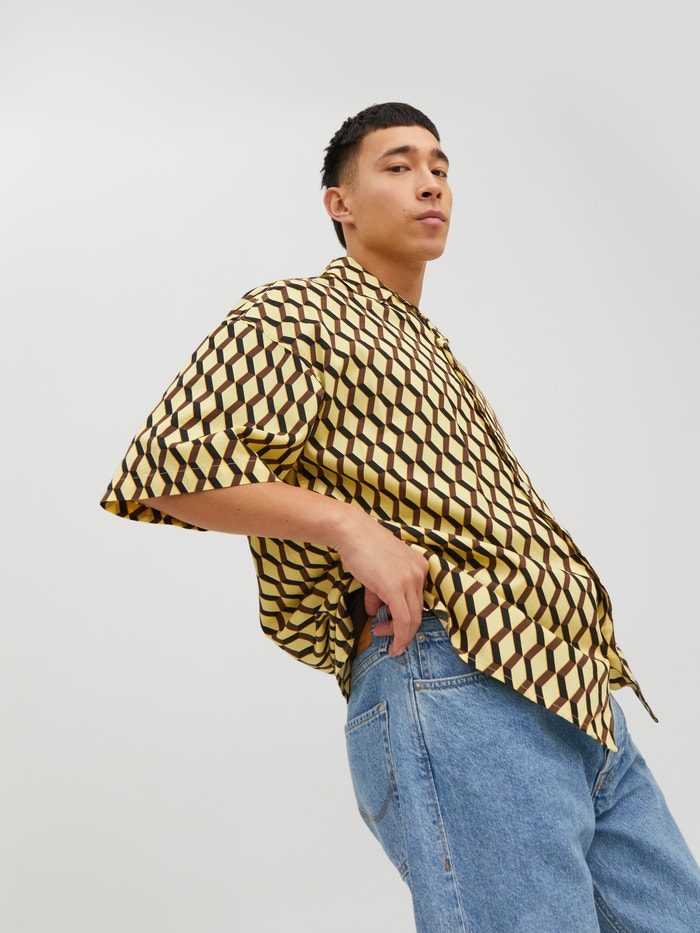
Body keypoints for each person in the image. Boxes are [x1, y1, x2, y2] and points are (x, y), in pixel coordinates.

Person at [100, 102, 700, 931]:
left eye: (441, 168)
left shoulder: (427, 346)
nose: (430, 183)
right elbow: (168, 464)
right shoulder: (295, 312)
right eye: (399, 165)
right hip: (460, 675)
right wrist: (352, 529)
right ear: (338, 202)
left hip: (575, 692)